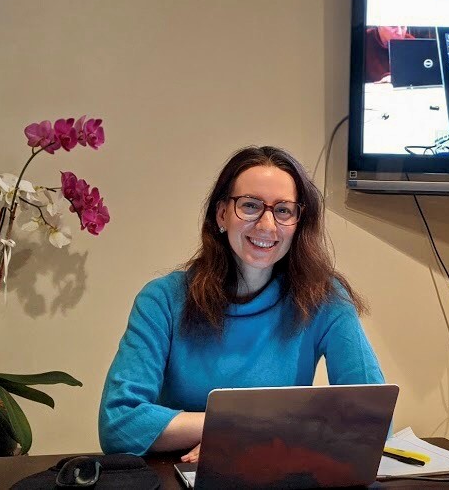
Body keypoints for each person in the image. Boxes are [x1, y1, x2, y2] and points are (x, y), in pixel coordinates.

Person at [98, 146, 384, 459]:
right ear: (221, 214)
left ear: (299, 222)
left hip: (280, 470)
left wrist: (252, 434)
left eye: (284, 210)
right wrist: (239, 427)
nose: (266, 225)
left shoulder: (324, 297)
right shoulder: (162, 300)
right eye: (250, 206)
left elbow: (373, 418)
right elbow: (118, 425)